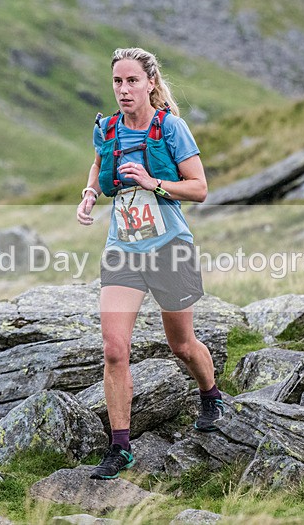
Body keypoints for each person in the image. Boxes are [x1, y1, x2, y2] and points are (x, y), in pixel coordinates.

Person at [76, 47, 224, 480]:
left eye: (132, 81)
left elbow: (199, 188)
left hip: (169, 247)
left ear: (151, 83)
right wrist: (90, 193)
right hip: (122, 250)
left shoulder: (171, 127)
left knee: (182, 345)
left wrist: (152, 182)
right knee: (114, 349)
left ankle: (211, 395)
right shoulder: (108, 128)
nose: (124, 90)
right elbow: (98, 164)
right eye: (117, 81)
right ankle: (120, 447)